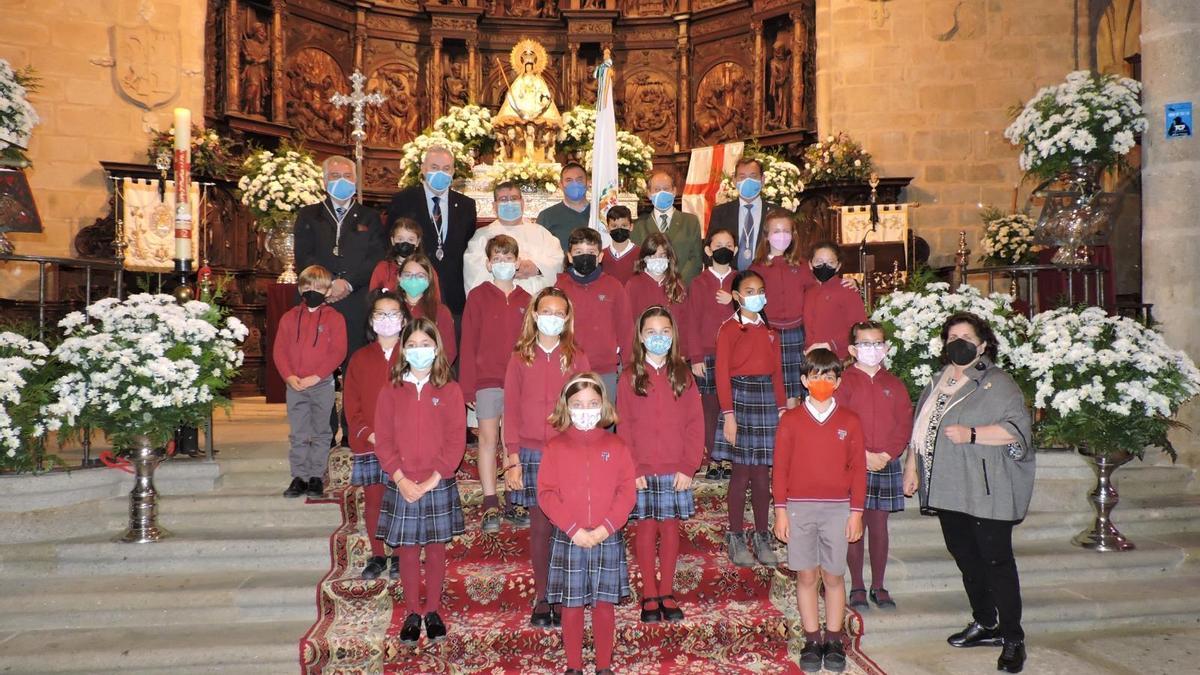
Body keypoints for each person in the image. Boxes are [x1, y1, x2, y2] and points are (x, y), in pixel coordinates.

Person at [906, 312, 1034, 674]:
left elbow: (1017, 431)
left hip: (985, 487)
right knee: (966, 557)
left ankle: (1013, 638)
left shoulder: (998, 382)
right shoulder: (937, 381)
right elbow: (921, 431)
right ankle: (986, 621)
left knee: (996, 561)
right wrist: (911, 468)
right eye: (951, 337)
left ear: (982, 344)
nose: (957, 342)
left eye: (965, 336)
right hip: (949, 488)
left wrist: (973, 434)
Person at [772, 348, 866, 674]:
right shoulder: (791, 420)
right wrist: (781, 511)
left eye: (829, 375)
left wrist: (856, 513)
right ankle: (813, 639)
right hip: (799, 508)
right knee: (807, 574)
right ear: (804, 380)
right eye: (815, 375)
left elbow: (858, 471)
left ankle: (835, 638)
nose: (822, 381)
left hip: (838, 509)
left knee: (834, 574)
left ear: (838, 381)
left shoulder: (850, 421)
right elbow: (780, 468)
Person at [373, 317, 466, 645]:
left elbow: (456, 440)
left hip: (436, 481)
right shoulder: (390, 390)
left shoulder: (450, 390)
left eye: (425, 345)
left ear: (436, 349)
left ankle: (433, 610)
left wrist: (432, 479)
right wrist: (399, 478)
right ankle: (412, 611)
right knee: (408, 549)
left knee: (436, 548)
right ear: (402, 350)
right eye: (411, 345)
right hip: (402, 481)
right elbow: (383, 440)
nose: (418, 351)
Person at [503, 287, 591, 628]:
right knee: (540, 527)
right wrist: (512, 458)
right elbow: (510, 410)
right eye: (546, 312)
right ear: (534, 315)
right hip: (531, 452)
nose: (552, 318)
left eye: (559, 312)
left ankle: (565, 593)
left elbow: (589, 407)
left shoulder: (577, 356)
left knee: (565, 527)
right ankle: (542, 596)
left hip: (567, 450)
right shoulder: (519, 357)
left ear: (567, 317)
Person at [538, 373, 637, 675]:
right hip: (571, 537)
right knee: (571, 605)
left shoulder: (617, 445)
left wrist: (606, 527)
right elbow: (546, 493)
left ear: (603, 405)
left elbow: (627, 491)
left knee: (604, 604)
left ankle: (604, 666)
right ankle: (573, 666)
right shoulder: (555, 447)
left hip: (607, 535)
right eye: (578, 404)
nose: (585, 409)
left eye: (592, 403)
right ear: (565, 407)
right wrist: (573, 529)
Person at [617, 306, 704, 624]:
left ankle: (667, 591)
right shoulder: (629, 377)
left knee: (669, 529)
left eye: (664, 332)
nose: (658, 338)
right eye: (651, 332)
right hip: (642, 469)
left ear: (673, 335)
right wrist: (632, 468)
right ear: (641, 337)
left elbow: (696, 424)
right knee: (645, 529)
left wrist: (688, 465)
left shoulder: (683, 375)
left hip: (675, 468)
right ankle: (649, 595)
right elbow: (623, 426)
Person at [711, 270, 787, 568]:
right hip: (740, 398)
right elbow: (721, 374)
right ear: (736, 296)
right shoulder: (728, 329)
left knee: (761, 474)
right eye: (750, 290)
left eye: (760, 290)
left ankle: (760, 535)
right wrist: (729, 414)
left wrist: (781, 410)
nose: (757, 295)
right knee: (741, 472)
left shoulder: (770, 332)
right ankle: (735, 535)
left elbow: (778, 374)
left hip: (766, 399)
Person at [836, 321, 914, 611]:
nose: (872, 349)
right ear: (853, 349)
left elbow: (904, 424)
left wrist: (888, 454)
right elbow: (837, 423)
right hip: (852, 464)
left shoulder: (894, 384)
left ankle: (878, 584)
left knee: (879, 525)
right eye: (865, 344)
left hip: (885, 462)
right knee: (853, 524)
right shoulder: (843, 382)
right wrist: (861, 454)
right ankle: (856, 584)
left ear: (886, 348)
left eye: (877, 344)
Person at [460, 234, 533, 534]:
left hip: (520, 383)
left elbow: (532, 344)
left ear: (518, 263)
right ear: (489, 264)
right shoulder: (477, 296)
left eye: (509, 258)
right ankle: (491, 501)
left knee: (513, 441)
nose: (503, 263)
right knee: (489, 440)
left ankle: (515, 498)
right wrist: (467, 386)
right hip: (487, 379)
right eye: (498, 259)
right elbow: (468, 344)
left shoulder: (527, 300)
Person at [293, 156, 386, 362]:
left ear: (355, 180)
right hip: (319, 296)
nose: (342, 181)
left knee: (356, 362)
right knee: (314, 360)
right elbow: (304, 255)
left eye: (347, 176)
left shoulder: (369, 216)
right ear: (325, 182)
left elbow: (376, 257)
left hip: (357, 300)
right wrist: (330, 283)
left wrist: (348, 283)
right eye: (335, 176)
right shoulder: (308, 215)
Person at [343, 291, 404, 580]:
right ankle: (379, 555)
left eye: (394, 314)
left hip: (406, 444)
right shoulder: (360, 358)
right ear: (371, 320)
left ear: (404, 320)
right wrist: (368, 434)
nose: (387, 320)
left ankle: (403, 555)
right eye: (381, 314)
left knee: (404, 500)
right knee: (375, 500)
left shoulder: (414, 354)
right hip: (372, 443)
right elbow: (351, 403)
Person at [273, 265, 346, 499]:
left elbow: (338, 351)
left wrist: (319, 375)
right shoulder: (288, 317)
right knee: (299, 432)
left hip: (322, 384)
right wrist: (289, 376)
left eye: (318, 287)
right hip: (295, 385)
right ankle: (299, 477)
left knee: (322, 431)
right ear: (300, 288)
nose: (312, 290)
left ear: (327, 291)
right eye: (307, 286)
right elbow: (279, 351)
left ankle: (316, 475)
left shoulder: (335, 318)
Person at [386, 145, 478, 317]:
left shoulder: (467, 206)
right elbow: (389, 246)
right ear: (423, 169)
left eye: (446, 169)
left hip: (454, 295)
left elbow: (468, 248)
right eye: (434, 168)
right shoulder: (403, 201)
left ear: (453, 172)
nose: (440, 173)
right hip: (414, 293)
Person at [684, 228, 739, 480]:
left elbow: (755, 313)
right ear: (708, 250)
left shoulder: (741, 281)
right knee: (708, 407)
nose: (724, 248)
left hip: (736, 354)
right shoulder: (698, 282)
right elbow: (691, 321)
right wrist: (695, 357)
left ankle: (728, 457)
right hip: (706, 353)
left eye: (728, 244)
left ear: (735, 250)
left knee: (731, 405)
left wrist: (735, 299)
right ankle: (711, 458)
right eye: (718, 244)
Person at [750, 209, 818, 406]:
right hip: (769, 333)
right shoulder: (757, 268)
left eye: (786, 231)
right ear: (766, 236)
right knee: (775, 390)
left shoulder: (803, 265)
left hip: (796, 334)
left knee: (796, 393)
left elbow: (816, 295)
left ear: (793, 235)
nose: (781, 236)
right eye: (776, 231)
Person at [556, 227, 633, 399]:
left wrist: (629, 366)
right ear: (569, 256)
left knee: (604, 422)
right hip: (568, 368)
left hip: (605, 369)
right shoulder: (559, 288)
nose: (585, 256)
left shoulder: (614, 287)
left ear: (600, 256)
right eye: (578, 252)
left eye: (590, 252)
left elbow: (626, 329)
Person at [463, 182, 563, 296]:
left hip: (536, 305)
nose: (509, 203)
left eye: (514, 198)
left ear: (522, 202)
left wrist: (537, 268)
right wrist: (503, 270)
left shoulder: (541, 233)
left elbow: (557, 260)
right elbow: (474, 273)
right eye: (503, 199)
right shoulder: (482, 237)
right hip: (498, 304)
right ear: (494, 206)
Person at [708, 158, 782, 271]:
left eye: (753, 176)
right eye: (742, 177)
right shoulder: (720, 213)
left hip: (768, 277)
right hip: (730, 279)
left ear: (762, 180)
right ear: (734, 180)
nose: (748, 181)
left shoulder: (778, 214)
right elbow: (709, 249)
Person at [632, 170, 704, 284]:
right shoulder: (638, 225)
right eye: (657, 189)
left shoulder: (690, 222)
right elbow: (636, 261)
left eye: (666, 189)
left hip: (682, 288)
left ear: (674, 191)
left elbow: (696, 260)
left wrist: (678, 283)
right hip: (649, 288)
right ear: (649, 193)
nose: (662, 193)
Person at [802, 241, 867, 360]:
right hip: (812, 358)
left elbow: (859, 328)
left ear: (838, 266)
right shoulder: (807, 290)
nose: (824, 266)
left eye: (830, 263)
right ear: (810, 264)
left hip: (839, 358)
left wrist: (831, 345)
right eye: (819, 262)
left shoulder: (847, 290)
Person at [396, 253, 457, 365]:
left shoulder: (441, 312)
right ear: (399, 278)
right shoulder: (391, 309)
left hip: (432, 376)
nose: (413, 279)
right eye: (408, 275)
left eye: (420, 276)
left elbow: (449, 352)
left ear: (429, 280)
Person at [624, 232, 688, 327]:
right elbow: (626, 322)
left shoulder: (677, 286)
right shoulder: (633, 285)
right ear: (644, 258)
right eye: (652, 256)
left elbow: (684, 322)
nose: (658, 260)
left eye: (662, 255)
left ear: (669, 258)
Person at [369, 217, 438, 293]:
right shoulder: (382, 268)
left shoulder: (426, 269)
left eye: (410, 240)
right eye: (400, 239)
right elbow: (373, 298)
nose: (405, 243)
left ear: (418, 242)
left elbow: (435, 299)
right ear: (393, 240)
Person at [536, 162, 592, 251]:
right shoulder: (546, 216)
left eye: (579, 180)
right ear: (561, 185)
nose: (574, 184)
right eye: (569, 180)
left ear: (588, 183)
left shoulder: (599, 213)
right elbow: (538, 251)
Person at [600, 205, 640, 284]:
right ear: (608, 228)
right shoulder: (601, 256)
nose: (619, 229)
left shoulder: (641, 254)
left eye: (624, 225)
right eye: (614, 226)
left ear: (631, 226)